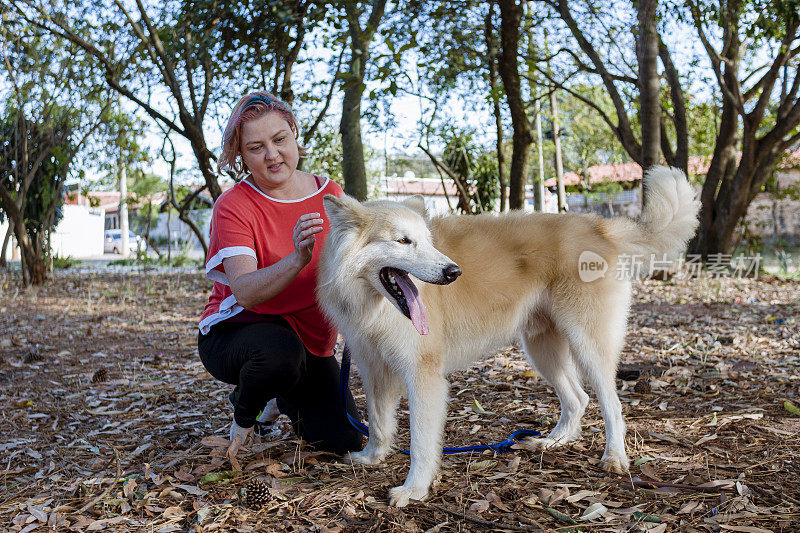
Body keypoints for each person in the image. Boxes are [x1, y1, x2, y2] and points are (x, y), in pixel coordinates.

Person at [197, 92, 363, 455]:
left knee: (344, 442)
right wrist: (295, 259)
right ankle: (244, 418)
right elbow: (245, 292)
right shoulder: (234, 205)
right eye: (256, 147)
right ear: (240, 155)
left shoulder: (329, 193)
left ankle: (275, 398)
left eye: (279, 139)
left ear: (294, 133)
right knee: (279, 353)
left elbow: (351, 267)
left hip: (311, 344)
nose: (272, 155)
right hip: (238, 334)